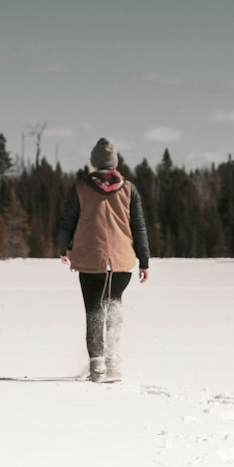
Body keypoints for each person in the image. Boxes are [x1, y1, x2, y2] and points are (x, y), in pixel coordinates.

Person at [56, 137, 150, 382]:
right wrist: (144, 261)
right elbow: (138, 226)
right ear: (114, 163)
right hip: (122, 259)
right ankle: (113, 361)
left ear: (95, 163)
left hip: (91, 257)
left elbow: (68, 220)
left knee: (94, 310)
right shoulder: (129, 188)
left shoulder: (81, 187)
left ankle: (97, 366)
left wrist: (63, 247)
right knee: (114, 307)